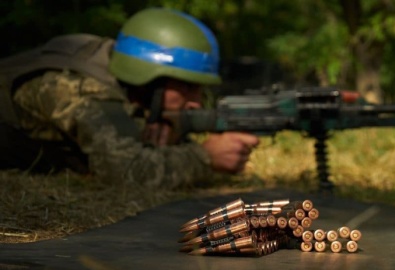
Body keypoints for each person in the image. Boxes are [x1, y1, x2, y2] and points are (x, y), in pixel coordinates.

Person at [0, 7, 260, 189]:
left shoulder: (127, 87)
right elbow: (127, 172)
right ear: (150, 81)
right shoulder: (80, 90)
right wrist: (205, 157)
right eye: (187, 87)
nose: (196, 103)